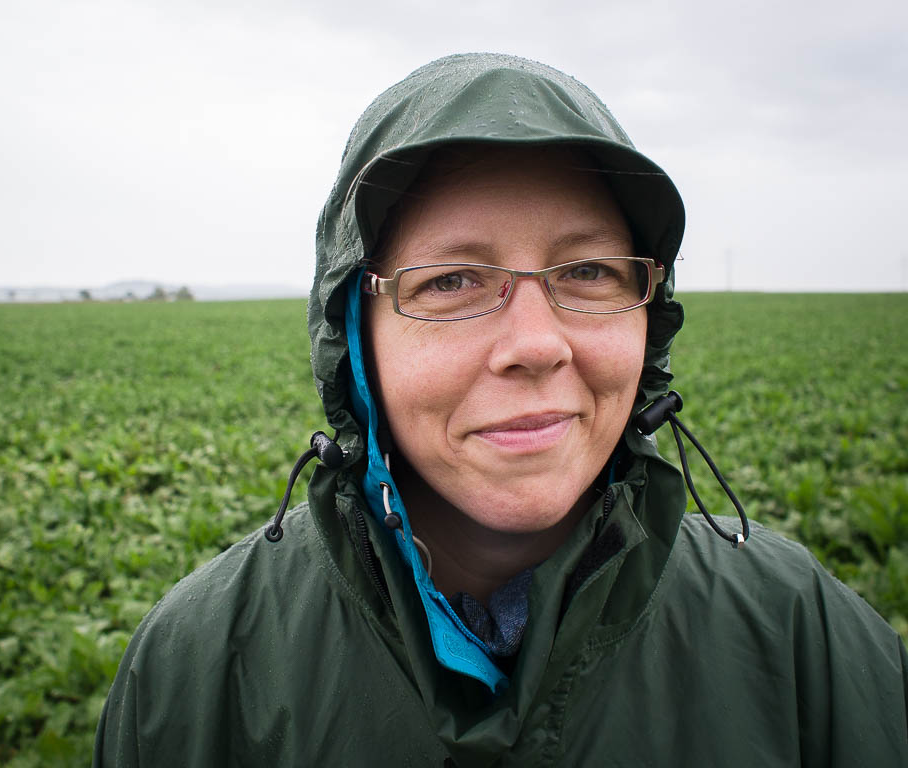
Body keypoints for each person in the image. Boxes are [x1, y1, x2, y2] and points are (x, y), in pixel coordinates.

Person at [93, 53, 908, 766]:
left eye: (589, 272)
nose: (536, 344)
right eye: (451, 281)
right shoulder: (199, 666)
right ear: (355, 335)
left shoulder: (801, 636)